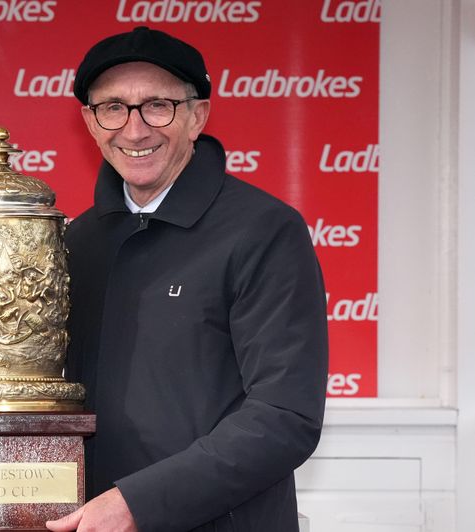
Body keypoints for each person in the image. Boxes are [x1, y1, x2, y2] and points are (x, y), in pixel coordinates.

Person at [47, 27, 329, 532]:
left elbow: (286, 417)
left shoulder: (265, 230)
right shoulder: (75, 241)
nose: (134, 131)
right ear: (90, 122)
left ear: (198, 115)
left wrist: (138, 503)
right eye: (112, 107)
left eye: (158, 105)